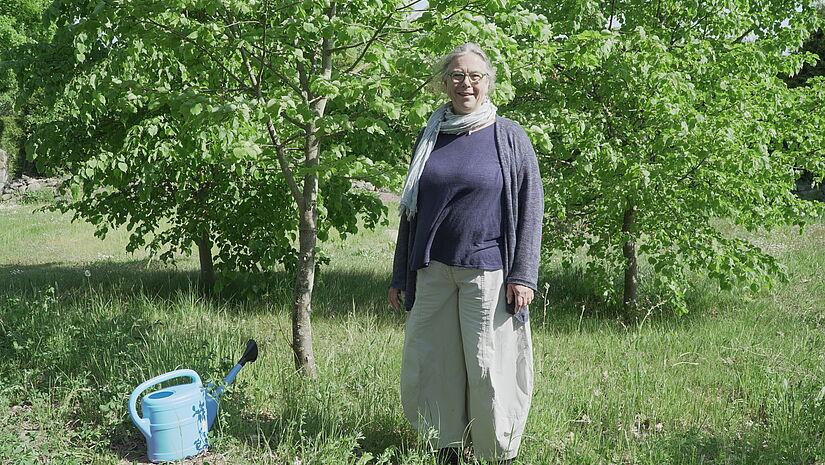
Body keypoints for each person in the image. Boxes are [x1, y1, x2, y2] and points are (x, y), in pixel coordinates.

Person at [388, 42, 543, 465]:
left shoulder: (508, 135)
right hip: (433, 270)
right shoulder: (431, 135)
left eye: (475, 75)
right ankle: (448, 448)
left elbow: (531, 207)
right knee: (436, 364)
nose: (465, 83)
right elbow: (411, 212)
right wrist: (401, 275)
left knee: (488, 367)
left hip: (487, 272)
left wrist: (523, 275)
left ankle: (497, 453)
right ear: (445, 83)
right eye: (457, 75)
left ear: (488, 82)